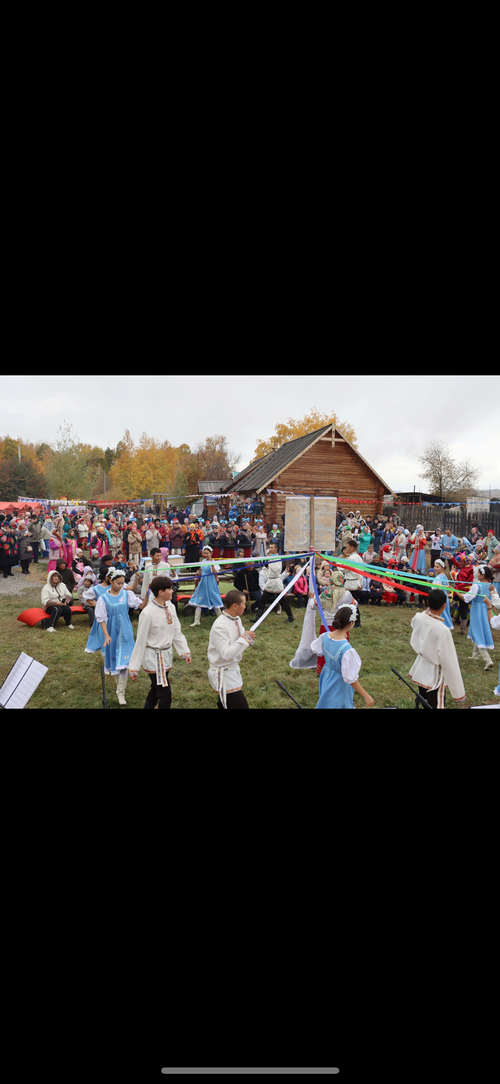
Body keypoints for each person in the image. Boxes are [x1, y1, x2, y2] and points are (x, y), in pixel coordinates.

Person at [128, 576, 192, 708]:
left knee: (155, 691)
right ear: (161, 592)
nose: (172, 591)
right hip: (154, 658)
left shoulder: (171, 607)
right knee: (165, 694)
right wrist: (134, 667)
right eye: (169, 589)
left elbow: (176, 631)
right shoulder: (147, 613)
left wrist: (184, 651)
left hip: (166, 656)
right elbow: (140, 641)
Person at [92, 570, 147, 705]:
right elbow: (101, 619)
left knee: (125, 663)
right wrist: (106, 635)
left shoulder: (126, 594)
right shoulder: (103, 598)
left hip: (126, 631)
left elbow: (140, 605)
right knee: (115, 660)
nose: (121, 585)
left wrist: (148, 594)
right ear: (111, 581)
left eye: (123, 583)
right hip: (111, 631)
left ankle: (120, 692)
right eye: (118, 583)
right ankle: (119, 687)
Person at [408, 588, 467, 708]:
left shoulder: (418, 617)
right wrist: (458, 693)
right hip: (434, 674)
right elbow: (450, 661)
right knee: (433, 704)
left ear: (427, 602)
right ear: (444, 605)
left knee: (424, 698)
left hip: (421, 667)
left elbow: (419, 618)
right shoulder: (442, 630)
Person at [311, 604, 374, 710]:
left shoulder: (324, 636)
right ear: (351, 624)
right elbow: (351, 678)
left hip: (326, 675)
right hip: (339, 683)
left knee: (328, 701)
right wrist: (366, 696)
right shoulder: (347, 650)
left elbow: (316, 650)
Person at [207, 589, 256, 709]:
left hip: (233, 669)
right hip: (223, 672)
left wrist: (248, 638)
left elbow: (241, 638)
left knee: (226, 703)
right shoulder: (220, 626)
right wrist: (245, 639)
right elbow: (226, 653)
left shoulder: (236, 619)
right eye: (243, 604)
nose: (245, 606)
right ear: (235, 606)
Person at [462, 565, 497, 670]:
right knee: (478, 630)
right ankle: (475, 655)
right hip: (486, 610)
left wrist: (457, 593)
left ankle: (488, 660)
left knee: (477, 632)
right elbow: (494, 598)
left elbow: (467, 598)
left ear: (482, 575)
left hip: (477, 610)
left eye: (477, 573)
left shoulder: (477, 586)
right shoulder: (491, 586)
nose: (476, 575)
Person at [254, 544, 294, 623]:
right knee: (263, 600)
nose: (270, 549)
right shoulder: (270, 557)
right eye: (269, 547)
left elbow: (276, 570)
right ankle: (258, 617)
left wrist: (270, 562)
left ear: (276, 549)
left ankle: (290, 617)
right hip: (270, 582)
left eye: (272, 548)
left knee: (282, 601)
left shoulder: (278, 558)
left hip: (276, 582)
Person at [188, 545, 223, 627]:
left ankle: (221, 621)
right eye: (205, 553)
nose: (206, 555)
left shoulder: (214, 562)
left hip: (211, 583)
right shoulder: (203, 561)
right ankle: (197, 621)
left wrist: (212, 565)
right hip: (203, 582)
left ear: (211, 553)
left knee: (215, 599)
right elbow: (201, 570)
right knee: (198, 601)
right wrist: (198, 573)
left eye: (207, 553)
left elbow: (215, 573)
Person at [339, 541, 364, 626]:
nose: (346, 549)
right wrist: (361, 583)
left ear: (352, 547)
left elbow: (343, 569)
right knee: (354, 602)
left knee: (351, 603)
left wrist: (337, 562)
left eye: (348, 547)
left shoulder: (351, 558)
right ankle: (355, 621)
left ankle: (355, 621)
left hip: (351, 582)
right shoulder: (359, 557)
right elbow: (361, 571)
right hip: (356, 582)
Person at [431, 559, 454, 630]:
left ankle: (442, 625)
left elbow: (434, 588)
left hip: (439, 597)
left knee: (440, 612)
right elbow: (446, 587)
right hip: (444, 597)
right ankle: (447, 625)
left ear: (442, 568)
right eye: (435, 566)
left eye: (438, 567)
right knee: (445, 611)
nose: (435, 568)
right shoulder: (445, 576)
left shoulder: (438, 578)